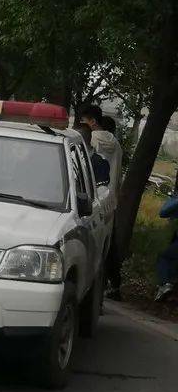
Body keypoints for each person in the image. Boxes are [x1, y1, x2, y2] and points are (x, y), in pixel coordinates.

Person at [79, 104, 124, 298]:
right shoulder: (116, 144)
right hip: (110, 201)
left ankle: (92, 289)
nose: (82, 125)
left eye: (83, 121)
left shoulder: (88, 141)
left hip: (92, 201)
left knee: (93, 248)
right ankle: (113, 286)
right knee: (108, 245)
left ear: (93, 121)